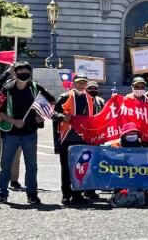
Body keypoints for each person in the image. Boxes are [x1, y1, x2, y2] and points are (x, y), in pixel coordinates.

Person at [0, 61, 56, 206]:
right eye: (20, 72)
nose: (23, 74)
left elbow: (52, 102)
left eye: (26, 72)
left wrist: (42, 116)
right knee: (5, 165)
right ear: (15, 73)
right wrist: (13, 121)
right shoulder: (7, 89)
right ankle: (1, 193)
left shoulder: (36, 88)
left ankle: (32, 195)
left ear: (30, 73)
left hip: (30, 133)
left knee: (31, 166)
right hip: (10, 132)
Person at [53, 74, 101, 205]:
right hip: (67, 138)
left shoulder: (91, 100)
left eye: (83, 83)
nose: (81, 85)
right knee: (66, 168)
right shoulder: (64, 97)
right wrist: (62, 117)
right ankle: (66, 194)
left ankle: (78, 194)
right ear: (74, 83)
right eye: (79, 83)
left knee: (81, 167)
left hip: (83, 139)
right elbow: (53, 114)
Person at [108, 124, 148, 208]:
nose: (132, 135)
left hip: (138, 177)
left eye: (134, 133)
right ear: (124, 135)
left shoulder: (142, 147)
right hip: (121, 178)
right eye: (129, 134)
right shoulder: (116, 146)